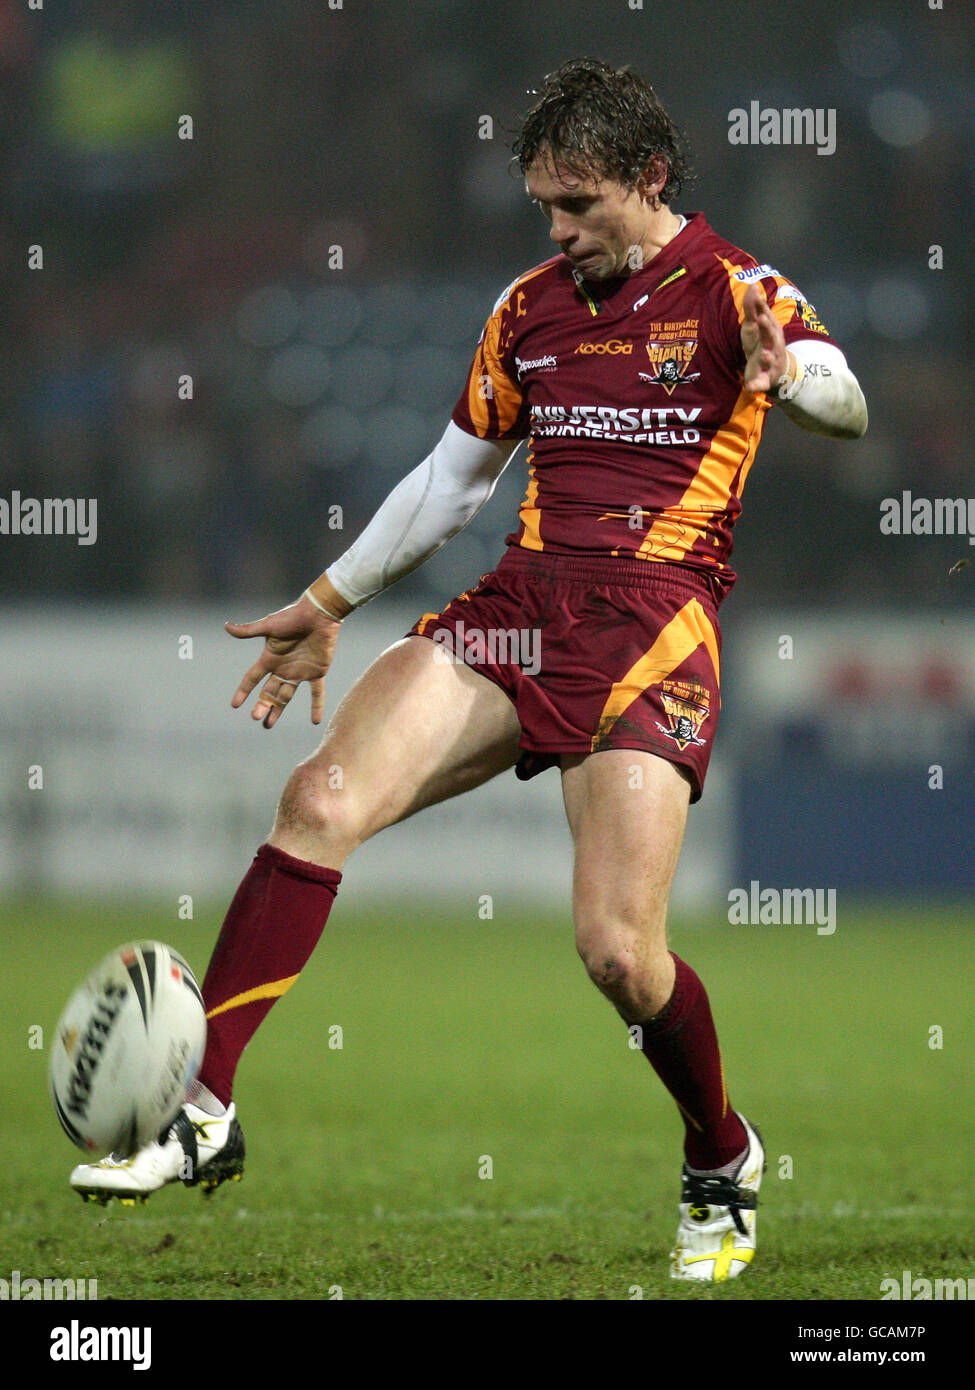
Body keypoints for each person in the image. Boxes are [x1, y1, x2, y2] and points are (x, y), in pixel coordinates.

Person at [70, 58, 867, 1282]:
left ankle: (722, 1154)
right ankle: (201, 1110)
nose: (557, 229)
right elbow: (451, 482)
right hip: (520, 610)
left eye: (579, 203)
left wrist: (789, 375)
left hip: (654, 631)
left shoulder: (738, 291)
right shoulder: (531, 307)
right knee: (320, 801)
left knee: (617, 952)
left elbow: (845, 400)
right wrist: (330, 600)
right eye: (543, 203)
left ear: (649, 179)